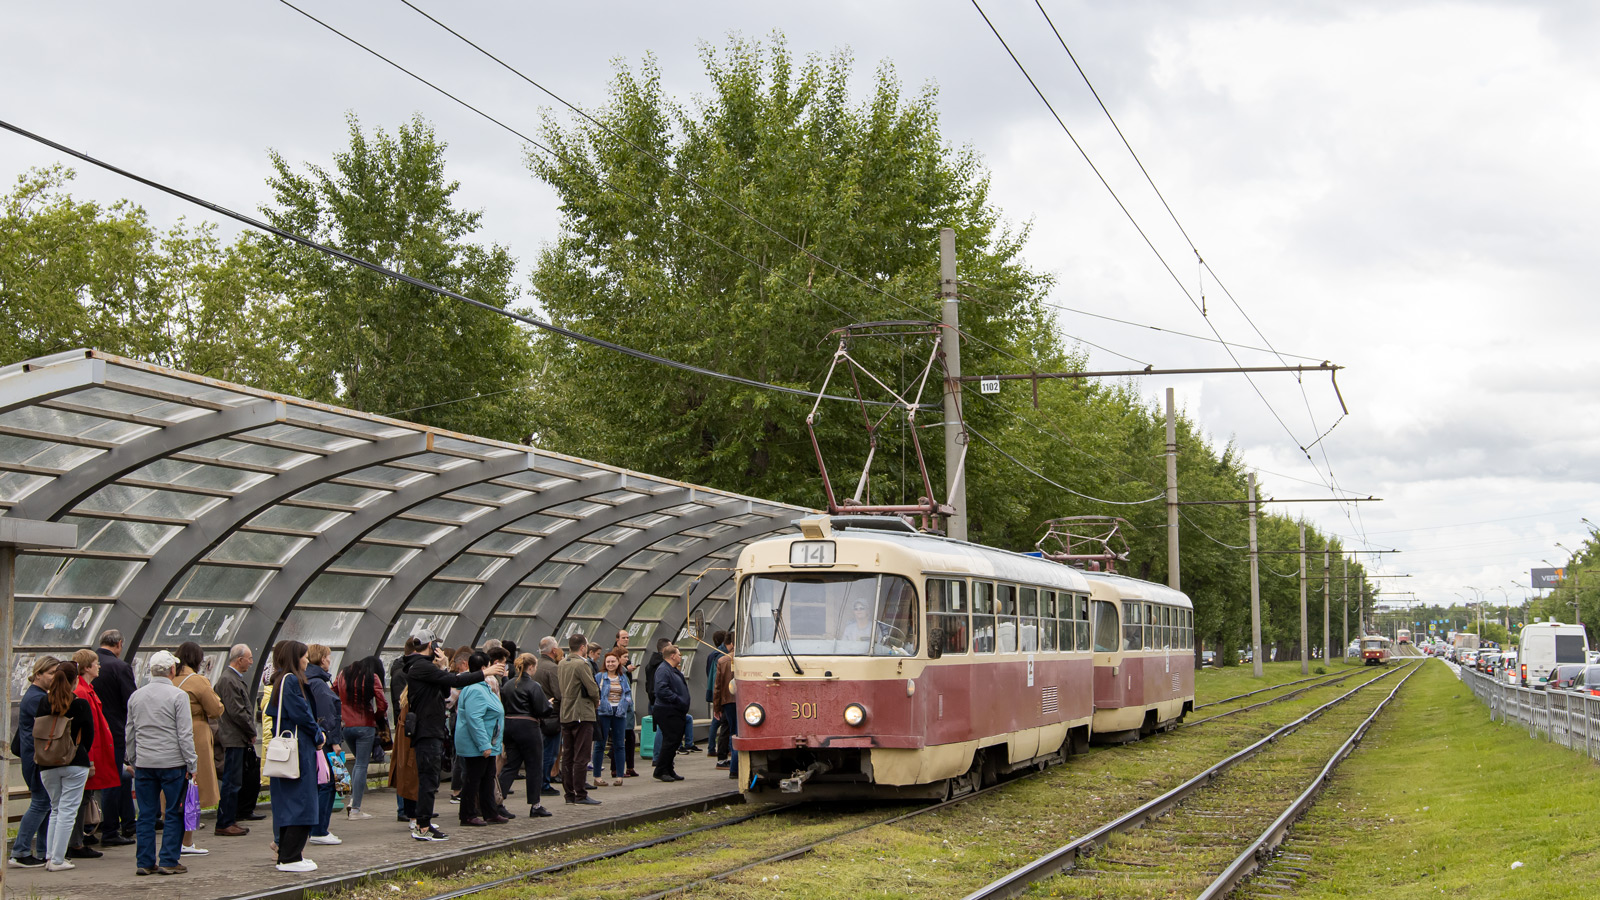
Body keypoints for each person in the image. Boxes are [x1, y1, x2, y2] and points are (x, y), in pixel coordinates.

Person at [403, 636, 507, 842]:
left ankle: (424, 823)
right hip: (426, 730)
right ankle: (423, 825)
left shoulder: (425, 668)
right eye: (436, 645)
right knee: (429, 780)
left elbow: (444, 691)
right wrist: (484, 672)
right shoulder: (419, 666)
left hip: (432, 729)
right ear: (431, 646)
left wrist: (442, 668)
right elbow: (455, 681)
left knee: (431, 779)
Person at [126, 651, 196, 876]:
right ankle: (168, 860)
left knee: (146, 814)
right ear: (172, 671)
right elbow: (184, 733)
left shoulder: (136, 696)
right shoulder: (178, 696)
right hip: (173, 763)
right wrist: (192, 763)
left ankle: (144, 862)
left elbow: (130, 731)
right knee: (174, 811)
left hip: (145, 763)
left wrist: (134, 759)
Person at [265, 641, 325, 874]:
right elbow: (302, 714)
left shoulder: (281, 680)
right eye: (304, 656)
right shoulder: (291, 681)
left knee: (289, 803)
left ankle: (289, 854)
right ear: (295, 657)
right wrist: (318, 733)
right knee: (302, 802)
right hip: (298, 751)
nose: (307, 661)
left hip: (288, 750)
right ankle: (290, 857)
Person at [35, 661, 93, 872]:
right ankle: (58, 860)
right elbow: (89, 736)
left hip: (47, 763)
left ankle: (50, 856)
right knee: (69, 810)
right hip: (75, 762)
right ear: (75, 680)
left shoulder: (43, 703)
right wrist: (79, 751)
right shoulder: (80, 704)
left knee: (56, 809)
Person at [171, 641, 222, 856]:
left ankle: (174, 838)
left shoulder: (169, 680)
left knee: (174, 788)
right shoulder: (198, 681)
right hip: (196, 734)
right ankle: (187, 841)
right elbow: (216, 709)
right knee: (194, 789)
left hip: (171, 735)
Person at [10, 656, 61, 868]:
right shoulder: (36, 699)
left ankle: (42, 850)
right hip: (37, 760)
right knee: (41, 803)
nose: (54, 678)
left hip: (35, 758)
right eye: (50, 673)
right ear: (38, 674)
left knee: (46, 804)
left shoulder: (36, 696)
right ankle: (20, 851)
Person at [67, 649, 114, 859]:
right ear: (87, 667)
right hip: (87, 754)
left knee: (83, 798)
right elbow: (88, 728)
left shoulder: (88, 689)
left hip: (89, 753)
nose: (99, 666)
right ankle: (75, 843)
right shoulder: (83, 692)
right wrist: (91, 760)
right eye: (96, 663)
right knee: (81, 799)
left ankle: (77, 840)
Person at [93, 631, 138, 847]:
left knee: (110, 779)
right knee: (113, 779)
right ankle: (111, 830)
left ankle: (125, 823)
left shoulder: (87, 663)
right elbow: (131, 700)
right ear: (119, 644)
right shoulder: (120, 667)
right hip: (114, 731)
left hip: (91, 732)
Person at [454, 652, 506, 826]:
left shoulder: (482, 686)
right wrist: (484, 744)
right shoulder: (476, 689)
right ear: (484, 668)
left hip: (488, 742)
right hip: (477, 744)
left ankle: (489, 811)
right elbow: (474, 718)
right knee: (473, 778)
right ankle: (468, 814)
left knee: (487, 777)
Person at [499, 653, 553, 819]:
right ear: (531, 667)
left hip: (509, 726)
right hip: (528, 726)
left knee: (511, 765)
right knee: (534, 765)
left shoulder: (507, 685)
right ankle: (535, 805)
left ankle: (497, 801)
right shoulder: (533, 685)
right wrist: (549, 704)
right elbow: (542, 710)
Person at [335, 655, 387, 821]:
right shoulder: (373, 677)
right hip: (365, 725)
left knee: (358, 763)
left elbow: (332, 693)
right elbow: (382, 703)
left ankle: (353, 801)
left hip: (347, 726)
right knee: (361, 765)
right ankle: (355, 808)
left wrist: (341, 713)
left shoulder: (343, 674)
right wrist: (377, 717)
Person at [213, 644, 257, 837]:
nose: (251, 662)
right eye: (248, 658)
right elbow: (237, 711)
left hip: (236, 737)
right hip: (233, 737)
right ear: (239, 660)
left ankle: (230, 819)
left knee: (235, 780)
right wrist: (251, 730)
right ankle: (225, 821)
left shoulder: (232, 679)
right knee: (232, 781)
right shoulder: (229, 680)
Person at [303, 644, 343, 845]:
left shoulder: (309, 679)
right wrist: (335, 741)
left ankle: (317, 828)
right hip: (325, 740)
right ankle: (319, 830)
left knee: (321, 783)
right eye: (328, 656)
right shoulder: (319, 683)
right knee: (327, 784)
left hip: (317, 738)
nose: (330, 660)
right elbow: (327, 714)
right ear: (321, 659)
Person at [557, 634, 600, 805]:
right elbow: (592, 688)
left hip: (566, 713)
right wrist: (596, 701)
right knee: (582, 755)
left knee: (567, 755)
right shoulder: (582, 664)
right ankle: (581, 793)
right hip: (581, 713)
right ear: (583, 647)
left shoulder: (562, 663)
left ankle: (569, 794)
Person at [388, 637, 426, 823]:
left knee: (407, 770)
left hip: (406, 727)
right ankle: (405, 808)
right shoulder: (403, 675)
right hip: (407, 729)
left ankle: (410, 808)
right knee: (407, 771)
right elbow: (399, 705)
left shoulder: (401, 672)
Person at [651, 644, 691, 782]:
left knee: (674, 741)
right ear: (672, 656)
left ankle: (669, 769)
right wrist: (678, 700)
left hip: (675, 710)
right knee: (670, 741)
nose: (680, 656)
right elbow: (661, 689)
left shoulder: (672, 669)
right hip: (667, 710)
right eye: (679, 654)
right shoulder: (663, 670)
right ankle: (660, 770)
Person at [592, 653, 632, 787]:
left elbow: (627, 694)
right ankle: (597, 776)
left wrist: (624, 705)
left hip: (619, 712)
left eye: (613, 661)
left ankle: (619, 776)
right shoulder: (599, 677)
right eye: (608, 662)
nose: (610, 664)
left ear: (618, 663)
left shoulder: (622, 677)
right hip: (603, 712)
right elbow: (594, 692)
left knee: (619, 744)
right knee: (600, 744)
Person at [533, 637, 563, 797]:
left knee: (539, 751)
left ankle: (538, 782)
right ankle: (544, 784)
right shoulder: (552, 668)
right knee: (550, 752)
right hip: (551, 715)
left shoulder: (535, 666)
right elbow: (559, 693)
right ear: (553, 650)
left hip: (535, 715)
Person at [610, 630, 640, 776]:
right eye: (625, 657)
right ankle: (617, 769)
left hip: (626, 712)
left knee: (628, 739)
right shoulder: (618, 673)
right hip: (622, 711)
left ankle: (628, 767)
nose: (627, 659)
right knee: (621, 740)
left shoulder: (623, 672)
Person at [712, 649, 739, 781]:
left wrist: (717, 707)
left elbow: (717, 686)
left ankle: (734, 769)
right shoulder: (748, 657)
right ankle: (738, 767)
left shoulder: (723, 661)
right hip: (747, 701)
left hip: (728, 702)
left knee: (733, 733)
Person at [704, 631, 727, 758]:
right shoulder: (722, 656)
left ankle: (711, 747)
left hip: (713, 690)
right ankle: (714, 747)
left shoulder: (711, 654)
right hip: (720, 691)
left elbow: (709, 672)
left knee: (716, 719)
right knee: (720, 720)